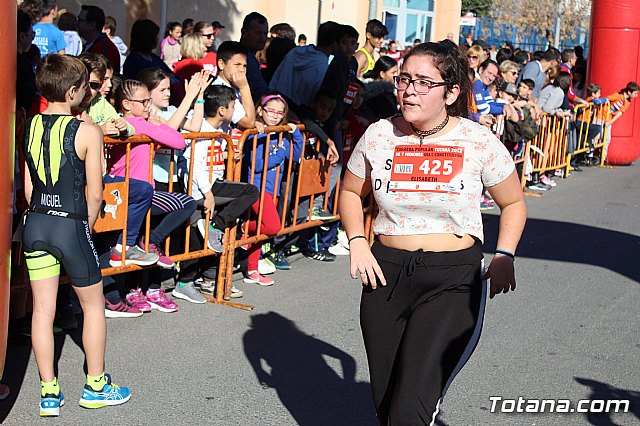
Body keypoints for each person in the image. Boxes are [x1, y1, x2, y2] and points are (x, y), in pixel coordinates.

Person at [339, 40, 526, 425]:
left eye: (424, 82)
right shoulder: (378, 134)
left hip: (451, 279)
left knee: (410, 408)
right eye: (404, 79)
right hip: (385, 274)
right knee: (387, 401)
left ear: (451, 91)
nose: (409, 90)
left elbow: (513, 202)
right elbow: (349, 192)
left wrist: (504, 254)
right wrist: (358, 241)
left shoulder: (477, 141)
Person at [21, 54, 131, 417]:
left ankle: (49, 392)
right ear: (72, 92)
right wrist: (87, 227)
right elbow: (95, 194)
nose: (90, 92)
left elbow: (26, 187)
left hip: (35, 222)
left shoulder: (30, 125)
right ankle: (96, 385)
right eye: (87, 87)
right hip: (70, 224)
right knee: (92, 305)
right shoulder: (87, 131)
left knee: (42, 310)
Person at [179, 85, 259, 297]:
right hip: (201, 188)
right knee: (198, 236)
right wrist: (208, 193)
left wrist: (229, 158)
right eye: (233, 106)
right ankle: (184, 283)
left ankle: (209, 278)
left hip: (211, 184)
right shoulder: (200, 127)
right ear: (222, 110)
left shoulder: (221, 130)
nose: (235, 112)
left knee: (212, 236)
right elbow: (193, 164)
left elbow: (211, 158)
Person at [242, 93, 304, 286]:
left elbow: (295, 157)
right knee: (272, 227)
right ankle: (240, 228)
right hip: (257, 188)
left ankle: (252, 270)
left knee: (259, 234)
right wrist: (280, 154)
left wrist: (296, 135)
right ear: (261, 111)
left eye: (280, 112)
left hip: (273, 189)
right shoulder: (257, 133)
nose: (276, 116)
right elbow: (257, 164)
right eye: (271, 111)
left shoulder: (282, 136)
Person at [78, 5, 121, 73]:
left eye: (80, 20)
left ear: (92, 25)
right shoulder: (89, 45)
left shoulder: (104, 48)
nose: (77, 23)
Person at [239, 12, 270, 101]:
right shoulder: (244, 58)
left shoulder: (251, 58)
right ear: (244, 32)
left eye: (265, 33)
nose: (263, 38)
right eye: (258, 33)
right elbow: (261, 93)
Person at [361, 56, 399, 120]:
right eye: (393, 72)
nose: (397, 75)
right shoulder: (372, 96)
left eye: (397, 72)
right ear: (382, 74)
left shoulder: (389, 92)